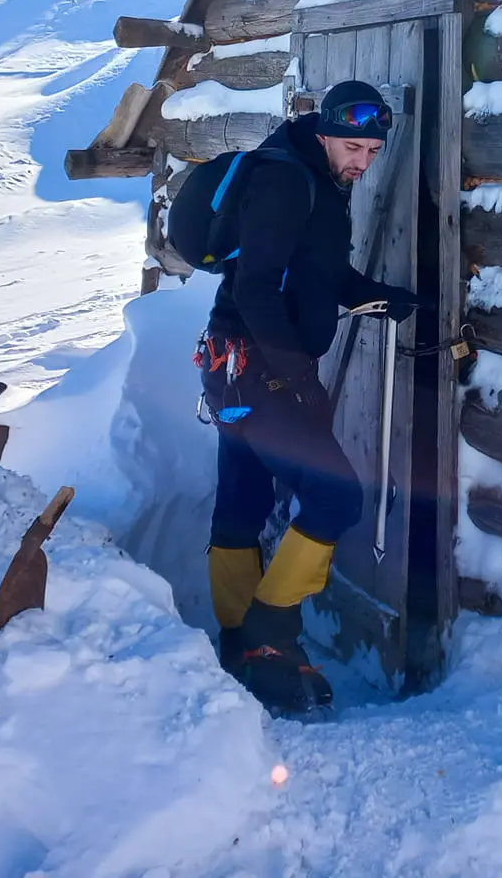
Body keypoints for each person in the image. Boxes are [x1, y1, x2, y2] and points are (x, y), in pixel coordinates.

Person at [197, 78, 418, 715]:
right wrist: (297, 380)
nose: (363, 162)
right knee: (335, 493)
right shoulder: (284, 181)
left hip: (241, 369)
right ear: (322, 132)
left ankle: (245, 647)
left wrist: (381, 297)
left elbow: (318, 274)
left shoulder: (319, 182)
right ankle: (268, 632)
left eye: (373, 152)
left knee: (243, 496)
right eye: (353, 146)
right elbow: (257, 289)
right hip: (253, 369)